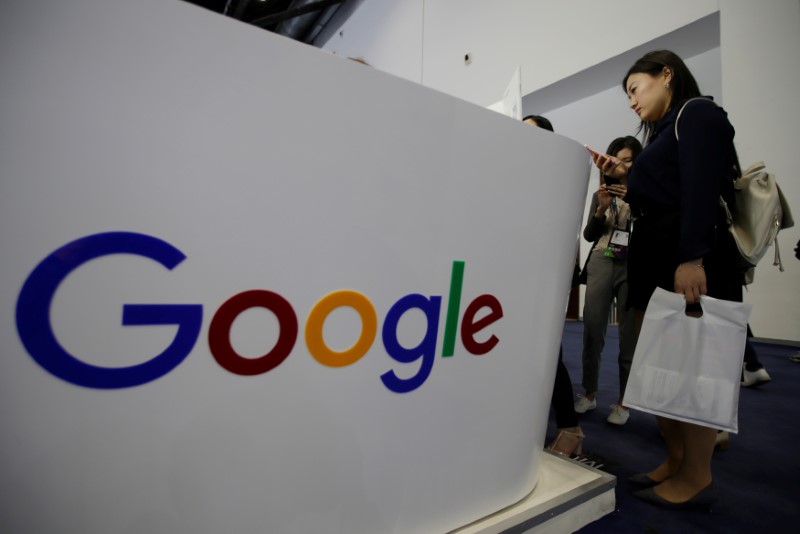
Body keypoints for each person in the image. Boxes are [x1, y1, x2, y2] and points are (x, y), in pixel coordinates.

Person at [593, 50, 743, 509]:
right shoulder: (662, 132)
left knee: (693, 369)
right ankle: (675, 459)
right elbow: (668, 185)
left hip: (689, 257)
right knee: (663, 367)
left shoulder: (698, 114)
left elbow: (700, 189)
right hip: (658, 257)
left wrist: (692, 256)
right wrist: (627, 174)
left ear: (666, 75)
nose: (632, 103)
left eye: (635, 89)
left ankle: (696, 472)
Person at [523, 113, 584, 456]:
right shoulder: (519, 174)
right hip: (520, 272)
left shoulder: (556, 175)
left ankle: (569, 427)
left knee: (548, 349)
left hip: (546, 273)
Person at [574, 136, 642, 426]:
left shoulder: (644, 192)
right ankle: (589, 394)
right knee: (592, 329)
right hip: (602, 258)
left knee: (630, 336)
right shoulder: (600, 194)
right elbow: (589, 235)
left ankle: (623, 402)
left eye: (628, 160)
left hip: (635, 263)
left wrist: (634, 197)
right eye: (617, 160)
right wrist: (602, 208)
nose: (622, 165)